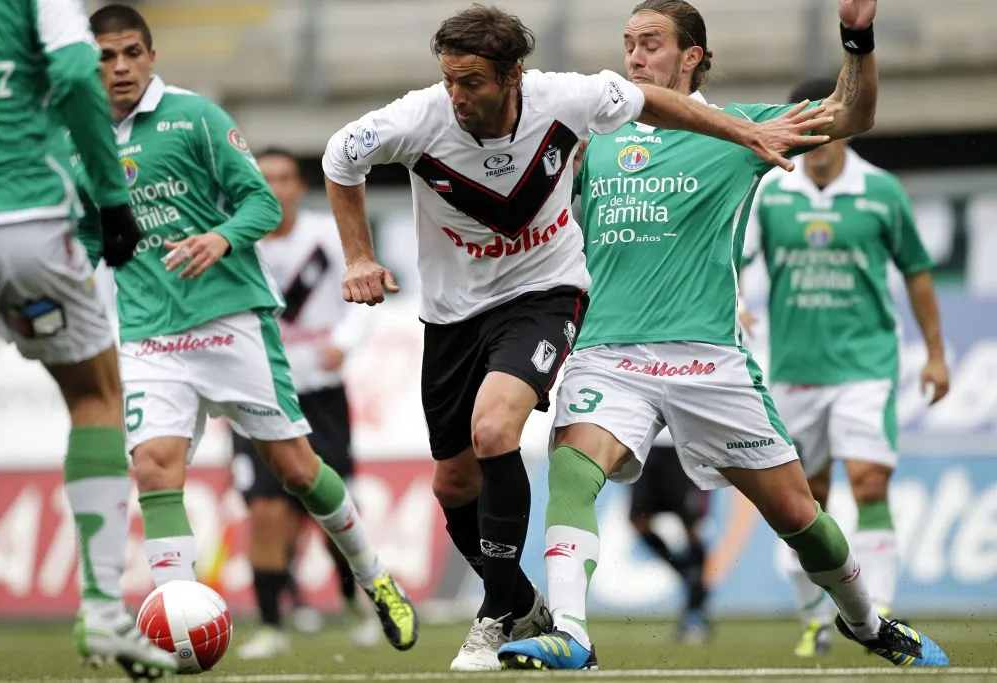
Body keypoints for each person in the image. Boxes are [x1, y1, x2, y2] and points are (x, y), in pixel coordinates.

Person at [322, 2, 824, 671]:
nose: (456, 94)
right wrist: (358, 255)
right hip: (451, 314)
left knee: (496, 430)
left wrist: (740, 131)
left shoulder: (569, 98)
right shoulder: (419, 117)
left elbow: (654, 100)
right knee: (452, 483)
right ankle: (520, 598)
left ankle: (498, 611)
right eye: (448, 79)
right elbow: (340, 157)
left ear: (513, 76)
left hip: (544, 294)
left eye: (470, 81)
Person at [498, 0, 949, 670]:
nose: (635, 56)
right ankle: (573, 632)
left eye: (651, 42)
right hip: (609, 352)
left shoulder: (743, 130)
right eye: (628, 43)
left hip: (708, 359)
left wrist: (857, 37)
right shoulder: (594, 135)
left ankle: (865, 620)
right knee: (570, 469)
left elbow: (851, 115)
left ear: (694, 57)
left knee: (800, 515)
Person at [76, 4, 418, 652]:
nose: (119, 67)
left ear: (151, 57)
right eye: (105, 56)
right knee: (154, 467)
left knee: (295, 468)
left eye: (130, 53)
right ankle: (175, 632)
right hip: (149, 332)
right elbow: (94, 234)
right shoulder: (84, 139)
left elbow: (262, 201)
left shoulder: (194, 117)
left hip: (229, 321)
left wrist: (220, 239)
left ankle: (374, 574)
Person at [0, 1, 178, 678]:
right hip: (21, 220)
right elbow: (72, 71)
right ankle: (101, 607)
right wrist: (112, 200)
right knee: (95, 393)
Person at [741, 77, 950, 658]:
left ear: (840, 122)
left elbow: (916, 271)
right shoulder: (770, 191)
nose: (817, 132)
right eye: (804, 120)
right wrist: (731, 295)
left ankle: (877, 616)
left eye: (826, 119)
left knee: (869, 481)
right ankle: (815, 618)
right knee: (804, 501)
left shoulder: (881, 191)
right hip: (795, 369)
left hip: (866, 364)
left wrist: (935, 353)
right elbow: (726, 249)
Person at [232, 148, 380, 658]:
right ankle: (272, 624)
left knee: (333, 504)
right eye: (264, 178)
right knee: (266, 513)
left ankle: (353, 600)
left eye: (283, 178)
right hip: (258, 394)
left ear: (299, 186)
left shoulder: (326, 234)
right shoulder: (235, 238)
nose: (274, 187)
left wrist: (345, 339)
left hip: (320, 393)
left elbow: (367, 287)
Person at [629, 432, 711, 644]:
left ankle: (695, 612)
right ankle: (692, 583)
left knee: (692, 526)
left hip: (684, 444)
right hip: (645, 444)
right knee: (638, 521)